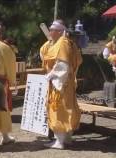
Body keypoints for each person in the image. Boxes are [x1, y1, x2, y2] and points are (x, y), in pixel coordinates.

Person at [40, 20, 82, 149]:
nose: (50, 31)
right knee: (67, 108)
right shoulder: (66, 42)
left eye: (53, 29)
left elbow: (62, 65)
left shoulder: (63, 43)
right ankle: (67, 138)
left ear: (59, 31)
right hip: (66, 82)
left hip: (60, 82)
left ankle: (59, 141)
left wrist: (50, 76)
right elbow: (44, 53)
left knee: (59, 109)